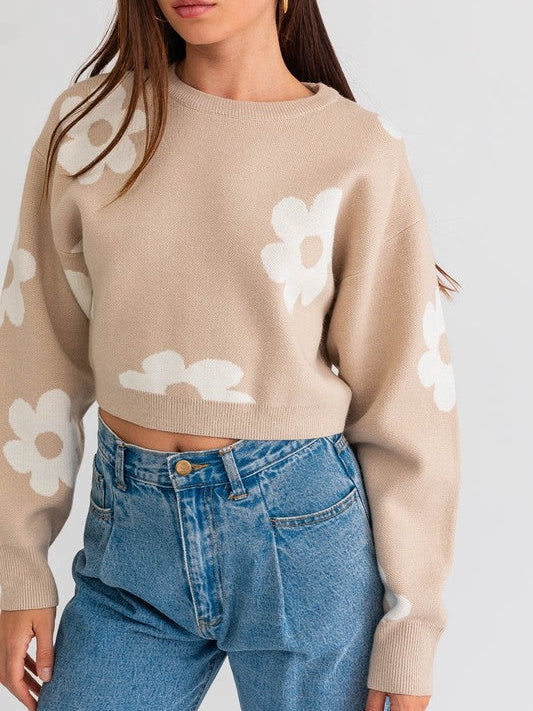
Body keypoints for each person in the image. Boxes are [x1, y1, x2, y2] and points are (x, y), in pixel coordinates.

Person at [0, 1, 462, 710]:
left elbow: (407, 400)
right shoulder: (90, 130)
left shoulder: (357, 149)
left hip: (303, 545)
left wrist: (412, 628)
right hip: (131, 550)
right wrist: (18, 568)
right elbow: (35, 353)